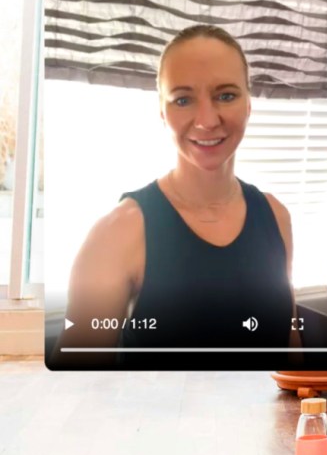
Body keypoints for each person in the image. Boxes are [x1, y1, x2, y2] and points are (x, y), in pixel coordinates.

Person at [51, 25, 299, 369]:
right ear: (162, 112)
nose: (207, 120)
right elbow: (76, 387)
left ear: (248, 103)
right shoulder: (117, 233)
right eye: (183, 99)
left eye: (226, 95)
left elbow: (291, 352)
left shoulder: (276, 216)